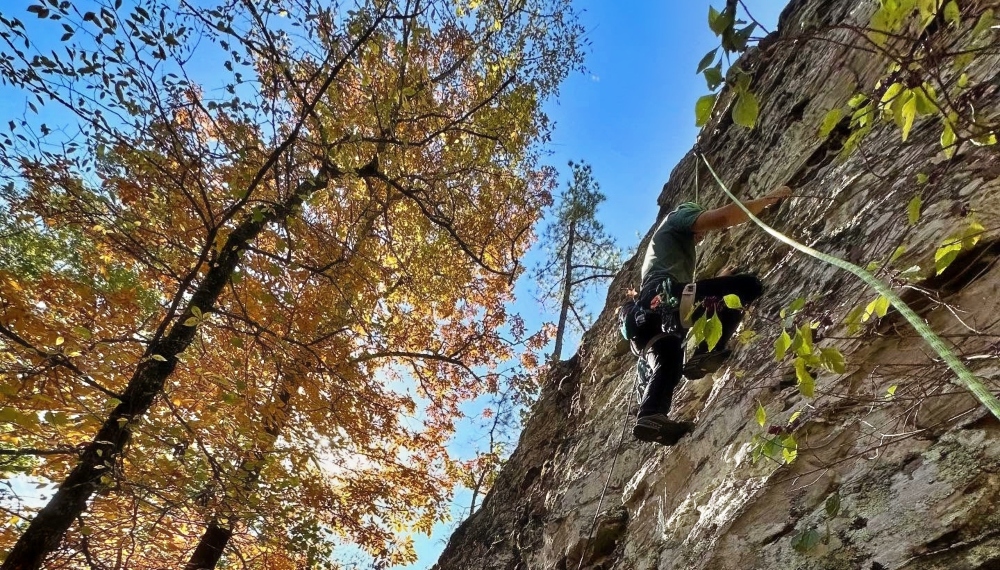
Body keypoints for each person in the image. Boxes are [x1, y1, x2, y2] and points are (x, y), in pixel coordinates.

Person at [631, 184, 792, 446]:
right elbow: (725, 217)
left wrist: (718, 281)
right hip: (666, 300)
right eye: (699, 231)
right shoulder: (678, 217)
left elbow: (690, 295)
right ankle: (707, 351)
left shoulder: (664, 253)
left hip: (648, 319)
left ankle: (651, 415)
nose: (701, 236)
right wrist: (768, 198)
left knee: (669, 359)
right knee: (745, 287)